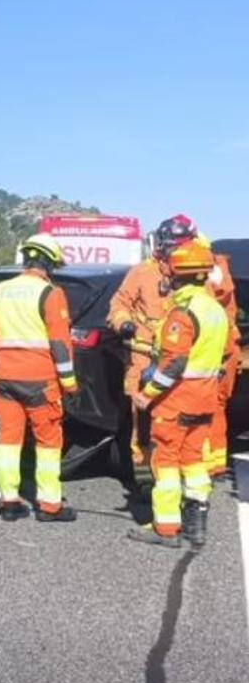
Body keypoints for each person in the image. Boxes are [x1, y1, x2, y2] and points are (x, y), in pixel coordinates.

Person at [128, 239, 230, 548]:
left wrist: (147, 392)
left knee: (167, 461)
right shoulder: (214, 309)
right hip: (205, 397)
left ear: (177, 275)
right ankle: (196, 524)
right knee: (194, 462)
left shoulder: (182, 313)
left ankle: (166, 528)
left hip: (177, 399)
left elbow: (174, 362)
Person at [0, 233, 79, 522]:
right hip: (40, 380)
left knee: (8, 440)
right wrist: (70, 383)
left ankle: (8, 501)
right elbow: (60, 344)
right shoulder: (51, 293)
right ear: (48, 263)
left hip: (5, 378)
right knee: (48, 443)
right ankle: (50, 506)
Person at [107, 215, 194, 491]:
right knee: (142, 422)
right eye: (167, 245)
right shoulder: (143, 272)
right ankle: (145, 481)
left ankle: (178, 475)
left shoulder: (193, 274)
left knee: (178, 422)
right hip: (143, 357)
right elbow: (119, 304)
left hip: (180, 360)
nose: (168, 251)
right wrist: (124, 324)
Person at [199, 235, 240, 480]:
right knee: (214, 408)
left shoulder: (208, 274)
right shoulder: (217, 270)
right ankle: (212, 464)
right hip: (221, 349)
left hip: (215, 352)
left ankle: (209, 464)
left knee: (209, 408)